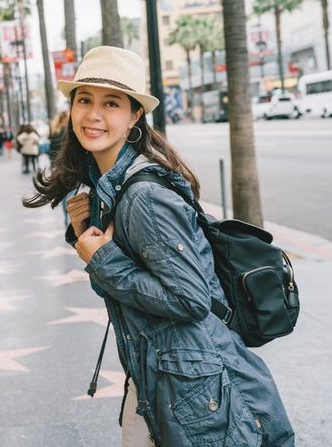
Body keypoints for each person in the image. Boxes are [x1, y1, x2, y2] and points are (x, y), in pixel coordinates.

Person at [23, 46, 295, 446]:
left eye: (111, 103)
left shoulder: (143, 195)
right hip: (161, 373)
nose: (92, 114)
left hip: (196, 389)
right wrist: (86, 233)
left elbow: (189, 300)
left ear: (134, 115)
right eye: (84, 100)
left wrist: (102, 260)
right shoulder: (110, 186)